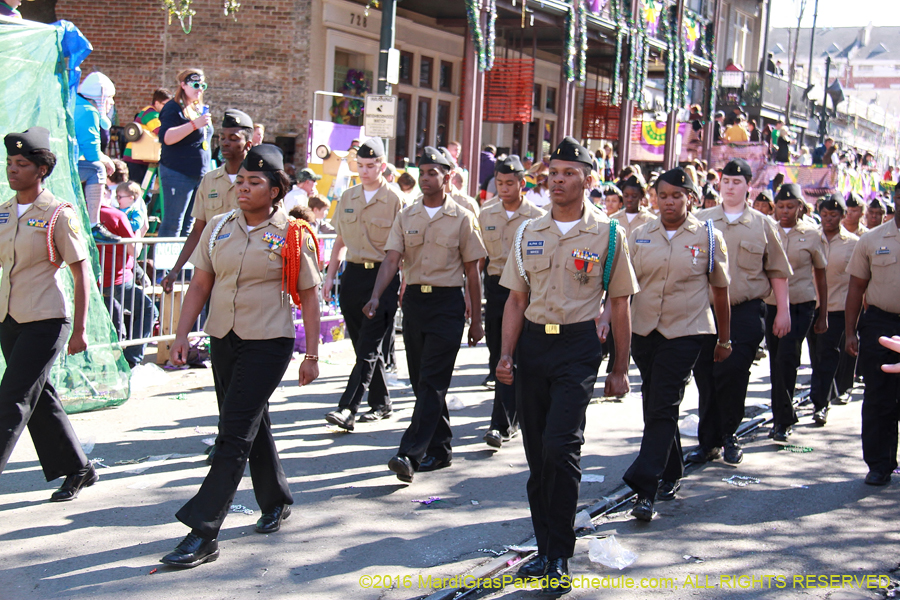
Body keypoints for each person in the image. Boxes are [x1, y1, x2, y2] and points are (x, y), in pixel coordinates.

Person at [160, 144, 321, 567]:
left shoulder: (292, 234)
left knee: (232, 434)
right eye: (241, 181)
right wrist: (181, 335)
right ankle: (276, 499)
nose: (243, 188)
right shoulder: (218, 227)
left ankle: (203, 531)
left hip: (268, 342)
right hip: (224, 338)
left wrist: (312, 355)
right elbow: (200, 284)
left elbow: (309, 294)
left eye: (254, 182)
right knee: (250, 422)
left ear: (275, 190)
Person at [495, 137, 637, 594]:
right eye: (553, 173)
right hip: (534, 345)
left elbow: (620, 304)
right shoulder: (528, 231)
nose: (558, 181)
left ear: (588, 180)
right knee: (538, 455)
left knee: (561, 448)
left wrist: (620, 368)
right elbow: (516, 300)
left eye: (569, 173)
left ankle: (560, 555)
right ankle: (544, 550)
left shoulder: (608, 234)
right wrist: (505, 354)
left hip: (578, 347)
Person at [363, 147, 486, 484]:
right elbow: (392, 259)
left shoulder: (462, 217)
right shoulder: (407, 215)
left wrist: (477, 319)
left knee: (432, 380)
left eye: (434, 173)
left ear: (448, 176)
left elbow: (472, 271)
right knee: (423, 382)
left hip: (448, 304)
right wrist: (375, 296)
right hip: (415, 303)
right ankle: (441, 448)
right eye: (423, 173)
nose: (426, 178)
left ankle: (409, 454)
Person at [623, 167, 731, 521]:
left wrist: (725, 339)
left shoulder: (709, 237)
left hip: (686, 331)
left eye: (677, 196)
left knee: (664, 402)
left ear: (691, 198)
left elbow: (720, 291)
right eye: (663, 195)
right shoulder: (639, 235)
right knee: (654, 401)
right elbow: (623, 287)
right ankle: (671, 471)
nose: (669, 202)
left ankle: (645, 487)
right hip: (644, 330)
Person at [0, 127, 96, 501]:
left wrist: (80, 329)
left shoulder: (58, 214)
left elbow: (80, 271)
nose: (12, 169)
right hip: (10, 319)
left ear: (41, 169)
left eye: (21, 164)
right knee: (39, 398)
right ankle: (78, 467)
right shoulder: (4, 213)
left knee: (12, 399)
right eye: (9, 162)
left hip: (46, 320)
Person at [690, 160, 792, 466]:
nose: (730, 187)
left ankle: (729, 434)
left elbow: (778, 271)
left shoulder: (762, 224)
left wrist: (783, 311)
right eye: (726, 181)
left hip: (744, 311)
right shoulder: (701, 220)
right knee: (705, 374)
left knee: (732, 372)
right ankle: (708, 442)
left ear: (749, 186)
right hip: (705, 311)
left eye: (737, 182)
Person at [320, 138, 403, 430]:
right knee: (362, 346)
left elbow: (404, 247)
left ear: (382, 166)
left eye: (370, 166)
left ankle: (347, 408)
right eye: (361, 165)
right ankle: (381, 403)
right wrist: (329, 276)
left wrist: (404, 283)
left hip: (383, 276)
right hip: (353, 276)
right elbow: (340, 241)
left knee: (368, 346)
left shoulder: (394, 199)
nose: (364, 171)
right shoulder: (348, 197)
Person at [477, 155, 544, 447]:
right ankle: (510, 417)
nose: (504, 188)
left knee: (515, 355)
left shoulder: (537, 217)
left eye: (509, 183)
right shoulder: (486, 213)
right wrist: (471, 298)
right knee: (498, 354)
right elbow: (480, 259)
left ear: (522, 183)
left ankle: (501, 423)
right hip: (496, 291)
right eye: (499, 183)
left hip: (525, 292)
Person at [161, 109, 253, 293]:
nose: (225, 143)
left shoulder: (259, 181)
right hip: (213, 271)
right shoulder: (209, 180)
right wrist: (176, 269)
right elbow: (198, 230)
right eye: (222, 137)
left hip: (247, 272)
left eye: (233, 138)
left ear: (248, 145)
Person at [766, 183, 828, 441]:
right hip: (771, 303)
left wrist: (823, 313)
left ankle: (783, 421)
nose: (785, 211)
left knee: (787, 357)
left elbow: (820, 275)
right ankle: (781, 414)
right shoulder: (768, 230)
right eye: (780, 206)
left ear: (800, 207)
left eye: (790, 206)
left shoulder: (812, 234)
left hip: (801, 304)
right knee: (775, 360)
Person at [844, 205, 900, 485]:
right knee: (879, 396)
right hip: (880, 324)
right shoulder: (871, 240)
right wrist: (850, 331)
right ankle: (879, 464)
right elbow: (856, 287)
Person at [807, 193, 858, 424]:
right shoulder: (811, 237)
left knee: (827, 354)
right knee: (815, 355)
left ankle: (820, 404)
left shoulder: (853, 243)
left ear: (842, 216)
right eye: (825, 214)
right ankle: (825, 392)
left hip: (837, 307)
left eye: (834, 215)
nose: (828, 219)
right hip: (811, 305)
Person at [99, 191, 158, 368]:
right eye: (115, 195)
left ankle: (117, 359)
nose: (117, 199)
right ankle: (131, 360)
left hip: (98, 281)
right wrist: (141, 230)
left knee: (116, 320)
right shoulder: (116, 215)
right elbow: (134, 250)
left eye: (120, 196)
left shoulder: (80, 213)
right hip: (116, 280)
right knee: (149, 311)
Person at [157, 68, 212, 238]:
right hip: (178, 171)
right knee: (173, 223)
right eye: (195, 85)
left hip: (199, 174)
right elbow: (166, 137)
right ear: (183, 85)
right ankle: (164, 256)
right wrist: (194, 125)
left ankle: (183, 256)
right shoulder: (173, 107)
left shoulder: (198, 108)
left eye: (203, 85)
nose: (199, 89)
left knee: (189, 225)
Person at [74, 72, 119, 243]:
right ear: (101, 98)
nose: (112, 102)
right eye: (109, 98)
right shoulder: (89, 111)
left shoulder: (75, 103)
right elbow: (92, 154)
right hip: (60, 168)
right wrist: (106, 159)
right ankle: (94, 225)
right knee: (97, 169)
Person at [123, 88, 173, 184]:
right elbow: (160, 131)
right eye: (165, 104)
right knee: (136, 188)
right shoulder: (151, 113)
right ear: (156, 103)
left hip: (142, 157)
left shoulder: (152, 112)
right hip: (136, 158)